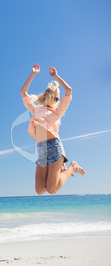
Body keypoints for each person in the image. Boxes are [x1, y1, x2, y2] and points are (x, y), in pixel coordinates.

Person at [20, 63, 85, 195]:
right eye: (53, 97)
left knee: (52, 189)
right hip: (41, 150)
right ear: (45, 96)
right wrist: (33, 73)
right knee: (39, 190)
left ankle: (72, 167)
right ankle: (64, 169)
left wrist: (57, 77)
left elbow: (69, 91)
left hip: (55, 147)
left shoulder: (57, 111)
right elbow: (23, 92)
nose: (56, 100)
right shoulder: (36, 109)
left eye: (57, 98)